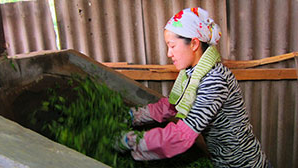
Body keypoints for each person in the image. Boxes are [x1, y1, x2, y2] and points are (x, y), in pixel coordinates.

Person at [115, 7, 270, 167]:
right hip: (221, 160)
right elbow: (171, 105)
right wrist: (133, 116)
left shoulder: (214, 80)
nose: (169, 53)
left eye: (172, 46)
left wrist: (131, 141)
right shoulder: (193, 74)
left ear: (194, 43)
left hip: (242, 164)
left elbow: (181, 136)